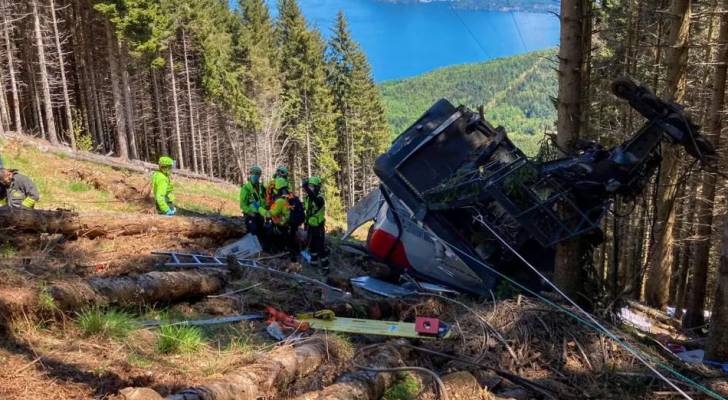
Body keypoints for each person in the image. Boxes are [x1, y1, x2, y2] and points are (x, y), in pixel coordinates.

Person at [260, 177, 299, 265]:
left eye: (273, 189)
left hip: (280, 227)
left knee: (268, 235)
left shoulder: (280, 201)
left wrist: (259, 208)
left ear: (277, 189)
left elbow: (269, 214)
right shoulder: (285, 198)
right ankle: (281, 253)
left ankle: (272, 254)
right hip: (283, 226)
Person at [303, 176, 329, 271]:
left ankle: (325, 268)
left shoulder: (320, 198)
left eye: (312, 186)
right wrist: (305, 223)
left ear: (317, 187)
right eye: (309, 186)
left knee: (320, 248)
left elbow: (315, 200)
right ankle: (313, 265)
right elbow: (307, 212)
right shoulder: (307, 198)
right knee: (312, 247)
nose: (310, 188)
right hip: (310, 226)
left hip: (318, 227)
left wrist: (306, 188)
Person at [240, 165, 266, 241]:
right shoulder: (246, 188)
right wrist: (249, 212)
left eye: (257, 174)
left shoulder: (262, 188)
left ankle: (261, 251)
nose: (255, 176)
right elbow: (243, 204)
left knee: (261, 234)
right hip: (251, 215)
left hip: (260, 215)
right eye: (254, 174)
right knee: (252, 233)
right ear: (250, 174)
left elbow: (264, 201)